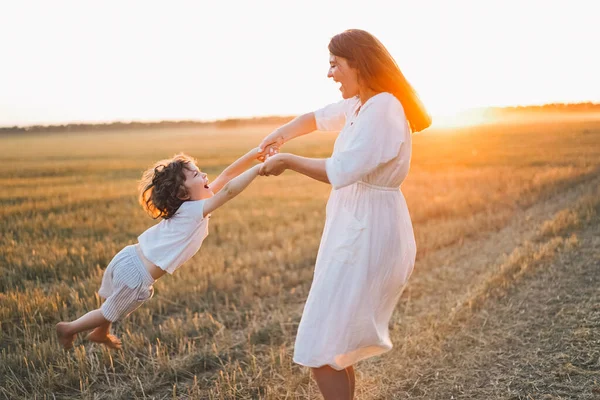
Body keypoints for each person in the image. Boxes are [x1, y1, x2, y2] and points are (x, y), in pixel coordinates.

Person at [258, 29, 431, 399]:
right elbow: (316, 118)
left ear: (359, 63)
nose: (329, 73)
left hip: (368, 230)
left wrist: (287, 161)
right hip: (354, 227)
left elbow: (340, 170)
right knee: (332, 344)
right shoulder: (360, 104)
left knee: (322, 344)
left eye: (335, 64)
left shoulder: (384, 108)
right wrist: (279, 136)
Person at [56, 147, 266, 349]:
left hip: (128, 257)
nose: (204, 175)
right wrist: (258, 169)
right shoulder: (194, 210)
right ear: (183, 193)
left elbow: (228, 174)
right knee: (109, 312)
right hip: (137, 277)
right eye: (196, 175)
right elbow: (229, 190)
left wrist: (256, 153)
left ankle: (100, 333)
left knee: (114, 303)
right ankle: (69, 328)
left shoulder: (189, 205)